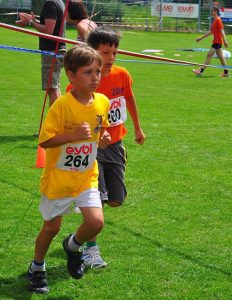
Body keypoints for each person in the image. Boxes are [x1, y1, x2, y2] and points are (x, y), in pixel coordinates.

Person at [26, 44, 111, 294]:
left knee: (96, 223)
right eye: (88, 72)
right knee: (51, 228)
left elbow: (100, 130)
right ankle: (37, 267)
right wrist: (71, 135)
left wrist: (102, 139)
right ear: (71, 76)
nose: (95, 77)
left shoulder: (102, 102)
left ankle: (73, 247)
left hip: (86, 177)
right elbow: (45, 140)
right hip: (59, 180)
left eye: (97, 71)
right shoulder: (62, 105)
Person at [67, 27, 145, 269]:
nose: (111, 58)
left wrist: (137, 128)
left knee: (115, 200)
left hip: (115, 145)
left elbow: (129, 98)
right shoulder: (84, 82)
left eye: (114, 52)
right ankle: (91, 250)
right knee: (97, 201)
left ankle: (82, 222)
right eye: (105, 52)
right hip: (92, 147)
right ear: (92, 52)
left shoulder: (122, 75)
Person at [16, 0, 66, 105]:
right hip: (57, 50)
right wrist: (34, 21)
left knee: (52, 88)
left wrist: (30, 22)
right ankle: (60, 118)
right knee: (55, 87)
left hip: (52, 51)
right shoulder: (58, 2)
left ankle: (57, 120)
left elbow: (49, 31)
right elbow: (51, 26)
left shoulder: (50, 3)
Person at [192, 6, 230, 77]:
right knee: (221, 58)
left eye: (212, 10)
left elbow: (222, 30)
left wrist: (225, 40)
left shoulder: (218, 20)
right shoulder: (214, 20)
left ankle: (200, 70)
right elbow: (211, 31)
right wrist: (201, 38)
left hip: (217, 42)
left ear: (215, 11)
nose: (211, 12)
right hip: (217, 42)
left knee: (209, 55)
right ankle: (226, 73)